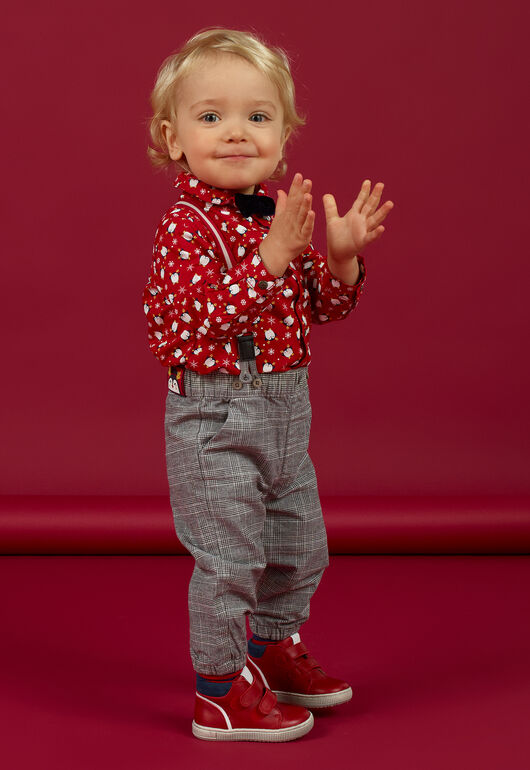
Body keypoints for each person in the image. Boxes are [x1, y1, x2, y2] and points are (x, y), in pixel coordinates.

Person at [143, 27, 394, 742]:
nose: (236, 133)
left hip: (286, 414)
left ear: (285, 135)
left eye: (258, 117)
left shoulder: (279, 214)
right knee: (230, 560)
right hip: (216, 420)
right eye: (211, 116)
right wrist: (273, 259)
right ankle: (219, 690)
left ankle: (272, 650)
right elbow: (203, 320)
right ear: (174, 136)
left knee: (299, 545)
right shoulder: (183, 229)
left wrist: (339, 262)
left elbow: (322, 306)